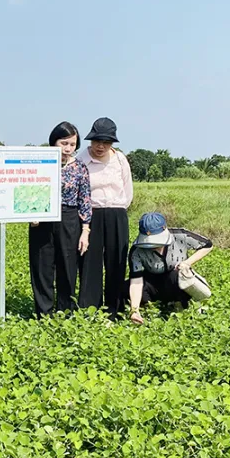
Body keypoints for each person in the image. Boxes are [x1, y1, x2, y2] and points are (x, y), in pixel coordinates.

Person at [29, 121, 92, 316]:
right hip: (42, 218)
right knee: (42, 266)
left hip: (69, 217)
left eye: (72, 144)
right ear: (53, 142)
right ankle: (43, 313)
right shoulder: (40, 164)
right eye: (64, 143)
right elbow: (29, 191)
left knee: (67, 265)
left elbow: (85, 200)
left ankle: (65, 311)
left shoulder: (80, 168)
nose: (68, 148)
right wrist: (32, 213)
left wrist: (85, 231)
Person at [77, 117, 134, 317]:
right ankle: (89, 308)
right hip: (91, 214)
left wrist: (117, 208)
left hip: (117, 213)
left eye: (106, 142)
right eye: (96, 141)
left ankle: (114, 309)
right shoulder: (81, 160)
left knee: (116, 260)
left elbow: (128, 190)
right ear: (90, 140)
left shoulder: (120, 160)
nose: (100, 146)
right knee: (89, 261)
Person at [126, 212, 213, 325]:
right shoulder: (136, 251)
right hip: (154, 283)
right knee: (126, 287)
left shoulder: (180, 236)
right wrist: (134, 310)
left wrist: (187, 263)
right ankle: (149, 311)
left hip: (176, 281)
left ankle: (181, 306)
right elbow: (136, 281)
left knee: (176, 275)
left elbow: (207, 245)